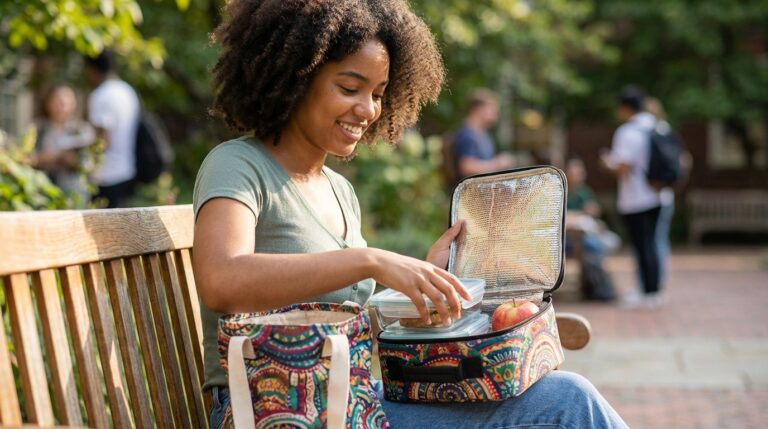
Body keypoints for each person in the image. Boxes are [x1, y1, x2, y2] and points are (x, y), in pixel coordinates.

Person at [194, 1, 627, 428]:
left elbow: (347, 326)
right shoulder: (238, 165)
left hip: (346, 400)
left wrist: (421, 288)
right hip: (275, 406)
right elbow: (221, 281)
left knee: (562, 396)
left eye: (378, 94)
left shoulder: (339, 190)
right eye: (349, 88)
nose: (368, 109)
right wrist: (371, 261)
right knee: (566, 405)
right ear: (296, 77)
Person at [602, 86, 662, 308]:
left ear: (625, 108)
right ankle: (654, 290)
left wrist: (607, 163)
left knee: (641, 246)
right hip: (658, 194)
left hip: (636, 198)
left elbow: (623, 167)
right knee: (652, 245)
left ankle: (646, 292)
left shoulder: (627, 132)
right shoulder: (657, 125)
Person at [83, 50, 140, 208]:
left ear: (91, 68)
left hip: (106, 176)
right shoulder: (127, 91)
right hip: (127, 170)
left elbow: (101, 141)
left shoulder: (101, 95)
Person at [29, 84, 95, 203]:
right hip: (42, 193)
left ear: (73, 104)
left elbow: (91, 165)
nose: (61, 106)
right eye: (58, 101)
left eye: (65, 102)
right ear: (48, 103)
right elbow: (25, 158)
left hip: (74, 194)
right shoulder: (38, 128)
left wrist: (72, 160)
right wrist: (41, 159)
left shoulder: (81, 129)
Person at [565, 157, 619, 301]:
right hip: (567, 239)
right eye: (573, 172)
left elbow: (592, 213)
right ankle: (601, 287)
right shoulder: (561, 192)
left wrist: (593, 214)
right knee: (592, 246)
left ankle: (597, 286)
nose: (577, 175)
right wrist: (579, 215)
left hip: (585, 234)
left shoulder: (583, 191)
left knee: (605, 243)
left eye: (579, 172)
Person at [449, 89, 515, 187]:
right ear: (477, 109)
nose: (496, 113)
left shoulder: (482, 133)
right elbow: (466, 167)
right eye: (492, 109)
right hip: (469, 192)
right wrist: (497, 164)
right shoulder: (467, 134)